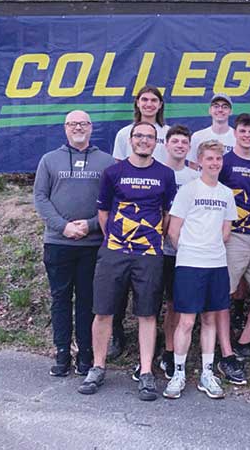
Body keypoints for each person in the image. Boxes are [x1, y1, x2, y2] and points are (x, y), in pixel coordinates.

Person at [78, 122, 177, 401]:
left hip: (149, 253)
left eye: (149, 137)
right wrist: (115, 240)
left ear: (156, 143)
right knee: (103, 311)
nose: (144, 141)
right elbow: (103, 212)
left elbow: (167, 214)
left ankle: (146, 373)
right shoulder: (113, 172)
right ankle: (97, 367)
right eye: (139, 136)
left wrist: (152, 238)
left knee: (147, 313)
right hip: (115, 251)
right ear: (131, 140)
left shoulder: (165, 174)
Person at [33, 110, 114, 378]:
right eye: (73, 124)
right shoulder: (49, 160)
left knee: (87, 302)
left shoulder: (106, 162)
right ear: (65, 128)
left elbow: (112, 203)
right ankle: (61, 353)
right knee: (60, 299)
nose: (78, 127)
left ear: (91, 128)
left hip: (92, 245)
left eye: (83, 123)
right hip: (58, 242)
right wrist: (64, 226)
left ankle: (86, 355)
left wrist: (90, 225)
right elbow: (41, 198)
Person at [163, 140, 239, 401]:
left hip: (216, 264)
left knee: (209, 319)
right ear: (200, 161)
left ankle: (207, 372)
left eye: (218, 159)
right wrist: (190, 250)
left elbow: (226, 231)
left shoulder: (227, 194)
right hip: (189, 265)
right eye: (209, 159)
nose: (214, 163)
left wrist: (210, 248)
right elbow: (173, 231)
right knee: (186, 320)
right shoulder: (188, 190)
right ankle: (179, 372)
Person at [109, 85, 170, 359]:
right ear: (137, 103)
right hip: (124, 224)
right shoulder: (124, 133)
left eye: (153, 100)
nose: (148, 104)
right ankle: (116, 333)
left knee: (153, 289)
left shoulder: (168, 134)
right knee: (119, 287)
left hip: (156, 224)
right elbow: (115, 177)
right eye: (144, 100)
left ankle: (152, 340)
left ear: (160, 105)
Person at [217, 114, 250, 373]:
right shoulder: (225, 162)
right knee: (223, 294)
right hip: (234, 237)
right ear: (235, 133)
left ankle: (244, 341)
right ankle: (223, 348)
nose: (247, 135)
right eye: (243, 131)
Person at [158, 125, 200, 379]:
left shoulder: (195, 179)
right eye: (175, 141)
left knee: (175, 304)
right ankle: (146, 355)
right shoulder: (157, 173)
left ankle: (170, 352)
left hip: (183, 253)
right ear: (166, 144)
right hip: (155, 249)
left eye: (185, 142)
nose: (180, 146)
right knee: (151, 306)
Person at [186, 93, 236, 163]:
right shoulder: (197, 136)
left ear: (231, 111)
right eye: (216, 106)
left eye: (225, 107)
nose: (220, 110)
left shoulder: (238, 137)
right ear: (210, 110)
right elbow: (193, 165)